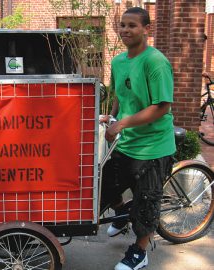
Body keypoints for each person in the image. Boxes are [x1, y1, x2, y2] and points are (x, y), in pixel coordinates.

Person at [100, 7, 176, 270]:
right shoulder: (119, 61)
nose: (125, 30)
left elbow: (162, 106)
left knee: (146, 203)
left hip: (153, 146)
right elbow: (121, 95)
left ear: (147, 29)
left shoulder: (155, 62)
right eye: (122, 25)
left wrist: (122, 123)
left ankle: (140, 252)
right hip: (127, 143)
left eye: (132, 25)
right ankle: (121, 214)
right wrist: (110, 117)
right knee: (103, 187)